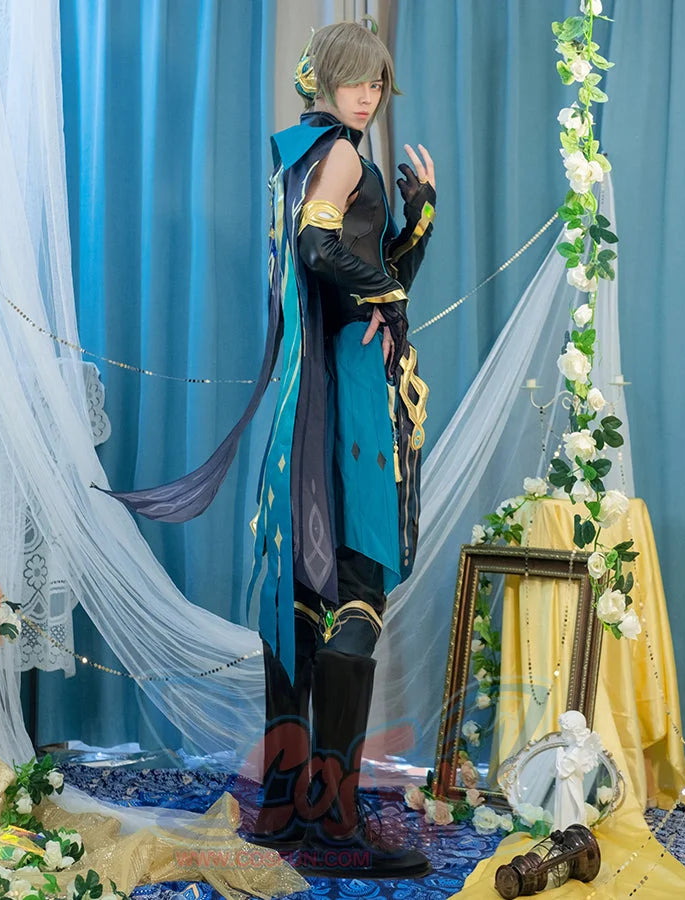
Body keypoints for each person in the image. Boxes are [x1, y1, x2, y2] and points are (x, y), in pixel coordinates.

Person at [99, 18, 435, 880]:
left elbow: (345, 265)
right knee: (356, 585)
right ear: (324, 79)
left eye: (377, 82)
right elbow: (326, 253)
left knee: (302, 593)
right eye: (357, 79)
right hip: (347, 396)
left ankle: (289, 803)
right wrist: (390, 286)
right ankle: (336, 822)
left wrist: (417, 223)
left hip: (310, 397)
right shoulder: (343, 155)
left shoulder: (302, 155)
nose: (369, 95)